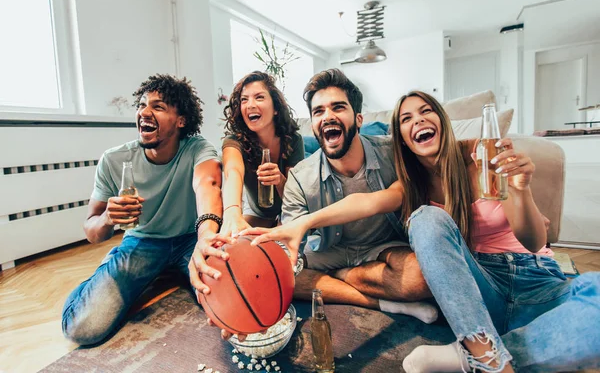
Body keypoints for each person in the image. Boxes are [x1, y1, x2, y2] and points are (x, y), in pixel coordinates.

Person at [248, 90, 600, 372]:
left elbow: (536, 241)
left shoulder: (479, 159)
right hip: (479, 288)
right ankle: (488, 352)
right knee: (426, 219)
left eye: (425, 111)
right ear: (401, 136)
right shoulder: (411, 185)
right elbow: (366, 204)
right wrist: (302, 224)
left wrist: (520, 188)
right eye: (406, 118)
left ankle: (470, 356)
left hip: (538, 281)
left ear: (441, 120)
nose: (418, 120)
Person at [243, 69, 437, 325]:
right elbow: (292, 247)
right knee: (276, 275)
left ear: (358, 119)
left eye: (338, 107)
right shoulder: (300, 177)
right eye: (318, 111)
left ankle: (342, 275)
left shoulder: (394, 154)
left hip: (381, 249)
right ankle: (379, 301)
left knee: (420, 277)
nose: (328, 116)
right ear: (312, 125)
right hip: (328, 252)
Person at [61, 74, 228, 346]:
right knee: (82, 327)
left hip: (190, 240)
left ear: (181, 120)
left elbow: (208, 184)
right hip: (142, 242)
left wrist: (206, 237)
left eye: (158, 106)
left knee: (232, 301)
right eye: (141, 104)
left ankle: (169, 271)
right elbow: (92, 232)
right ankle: (101, 282)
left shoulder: (197, 149)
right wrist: (107, 218)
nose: (144, 112)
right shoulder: (114, 160)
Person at [220, 71, 304, 235]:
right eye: (244, 99)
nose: (250, 104)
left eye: (259, 97)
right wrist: (231, 212)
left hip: (290, 212)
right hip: (258, 214)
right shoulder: (234, 142)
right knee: (236, 239)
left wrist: (279, 180)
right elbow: (233, 172)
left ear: (275, 109)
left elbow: (297, 198)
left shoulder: (293, 140)